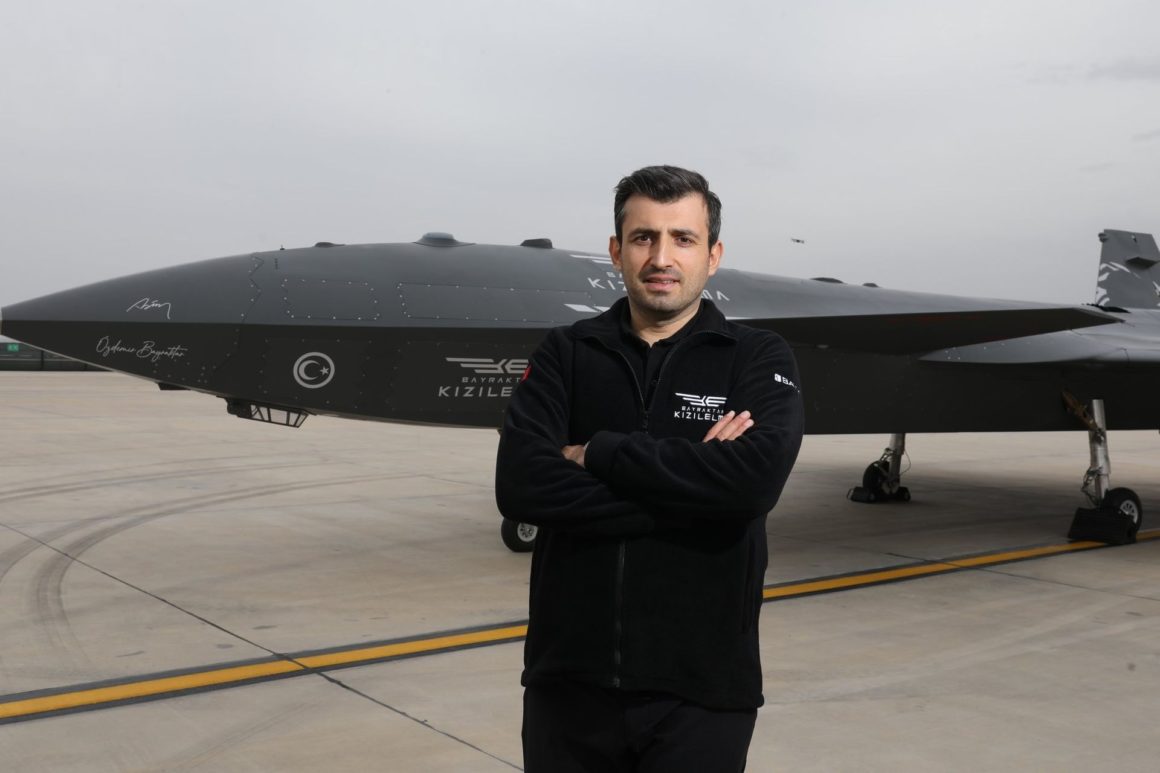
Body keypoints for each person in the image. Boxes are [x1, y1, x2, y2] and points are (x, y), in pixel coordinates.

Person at [495, 165, 804, 772]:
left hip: (704, 693)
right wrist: (701, 493)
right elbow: (523, 483)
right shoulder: (566, 352)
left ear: (713, 256)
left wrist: (598, 453)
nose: (662, 257)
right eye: (644, 237)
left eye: (683, 239)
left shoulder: (755, 356)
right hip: (568, 689)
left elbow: (753, 483)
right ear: (617, 251)